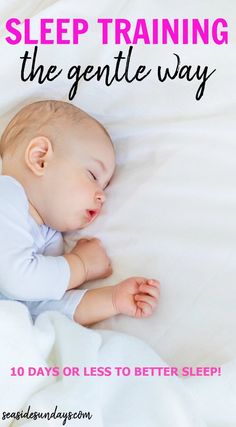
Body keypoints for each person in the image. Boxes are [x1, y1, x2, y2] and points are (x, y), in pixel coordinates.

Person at [0, 100, 160, 326]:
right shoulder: (6, 194)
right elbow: (17, 279)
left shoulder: (48, 238)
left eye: (104, 187)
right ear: (40, 158)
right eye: (93, 176)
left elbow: (42, 310)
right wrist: (80, 265)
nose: (101, 195)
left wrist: (113, 300)